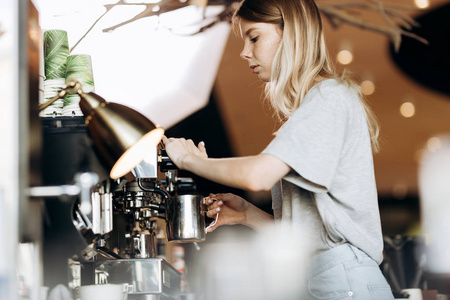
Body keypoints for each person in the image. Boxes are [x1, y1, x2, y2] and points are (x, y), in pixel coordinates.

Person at [162, 0, 394, 299]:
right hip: (328, 278)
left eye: (254, 37)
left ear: (292, 33)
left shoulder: (329, 97)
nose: (245, 52)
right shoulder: (313, 108)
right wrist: (247, 214)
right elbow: (309, 235)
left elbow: (258, 175)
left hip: (342, 279)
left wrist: (187, 159)